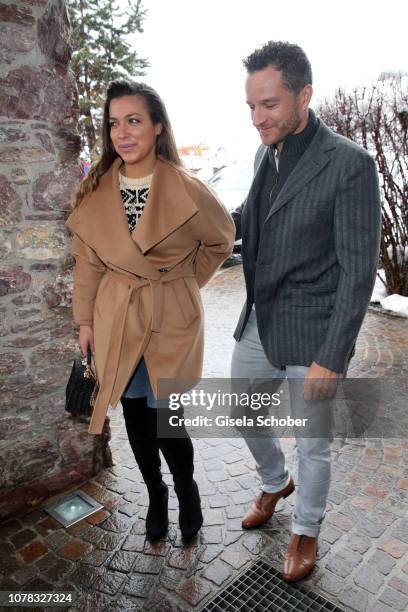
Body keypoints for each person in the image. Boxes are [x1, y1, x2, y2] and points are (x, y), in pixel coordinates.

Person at [230, 41, 381, 581]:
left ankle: (306, 530)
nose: (257, 118)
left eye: (268, 104)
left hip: (315, 330)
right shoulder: (263, 153)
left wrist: (331, 358)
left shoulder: (350, 164)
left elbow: (358, 271)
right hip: (261, 320)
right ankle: (275, 482)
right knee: (240, 412)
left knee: (312, 444)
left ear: (304, 95)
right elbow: (255, 217)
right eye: (250, 106)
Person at [66, 79, 235, 543]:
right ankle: (155, 494)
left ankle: (186, 488)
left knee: (168, 417)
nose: (122, 132)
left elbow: (220, 240)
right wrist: (85, 322)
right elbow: (88, 263)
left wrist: (183, 285)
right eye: (114, 123)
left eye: (134, 120)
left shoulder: (188, 189)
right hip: (117, 316)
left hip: (169, 320)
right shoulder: (95, 190)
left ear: (158, 126)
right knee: (136, 414)